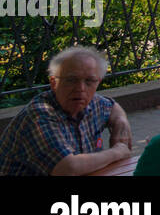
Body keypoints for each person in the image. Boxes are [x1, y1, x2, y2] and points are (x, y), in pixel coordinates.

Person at [0, 46, 132, 176]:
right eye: (71, 80)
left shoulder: (92, 102)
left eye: (89, 81)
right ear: (53, 82)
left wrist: (121, 122)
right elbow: (68, 168)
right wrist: (117, 152)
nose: (80, 88)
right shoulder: (40, 114)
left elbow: (113, 107)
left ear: (98, 82)